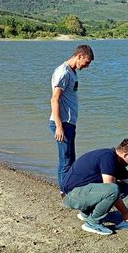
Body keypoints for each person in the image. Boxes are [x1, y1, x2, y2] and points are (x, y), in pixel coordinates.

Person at [61, 138, 128, 235]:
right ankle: (92, 223)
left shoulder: (116, 161)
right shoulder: (108, 158)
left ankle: (86, 213)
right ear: (126, 154)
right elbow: (110, 189)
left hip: (78, 193)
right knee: (113, 189)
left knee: (124, 187)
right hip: (71, 196)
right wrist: (126, 214)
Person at [49, 45, 94, 197]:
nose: (87, 66)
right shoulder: (63, 72)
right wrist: (59, 126)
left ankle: (69, 189)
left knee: (71, 160)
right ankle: (64, 192)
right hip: (62, 123)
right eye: (86, 62)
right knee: (65, 161)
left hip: (69, 123)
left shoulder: (71, 72)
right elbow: (55, 100)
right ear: (79, 56)